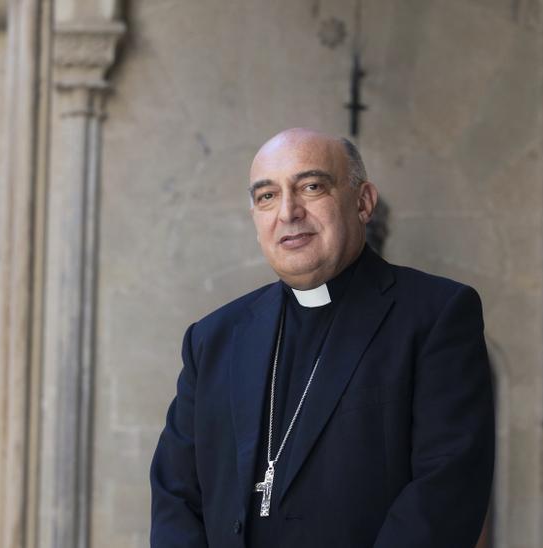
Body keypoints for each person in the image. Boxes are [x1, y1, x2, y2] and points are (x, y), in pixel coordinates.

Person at [150, 128, 495, 547]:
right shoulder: (213, 339)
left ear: (363, 202)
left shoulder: (435, 315)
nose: (288, 212)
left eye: (311, 187)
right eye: (267, 196)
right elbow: (175, 495)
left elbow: (446, 488)